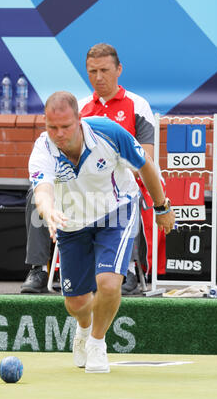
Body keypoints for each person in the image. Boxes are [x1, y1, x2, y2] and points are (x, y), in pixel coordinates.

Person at [28, 91, 175, 373]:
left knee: (108, 282)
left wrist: (161, 206)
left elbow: (145, 165)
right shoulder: (42, 149)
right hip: (71, 220)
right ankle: (83, 330)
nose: (59, 134)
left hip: (116, 211)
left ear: (79, 120)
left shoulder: (108, 132)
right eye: (52, 127)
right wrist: (48, 212)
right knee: (76, 303)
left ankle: (97, 342)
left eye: (66, 126)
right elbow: (42, 190)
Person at [21, 43, 165, 295]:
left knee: (122, 192)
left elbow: (147, 159)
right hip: (77, 185)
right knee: (37, 195)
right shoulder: (80, 107)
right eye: (92, 71)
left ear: (118, 69)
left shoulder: (137, 104)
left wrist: (104, 175)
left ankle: (128, 268)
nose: (98, 77)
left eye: (104, 70)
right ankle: (39, 268)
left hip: (119, 181)